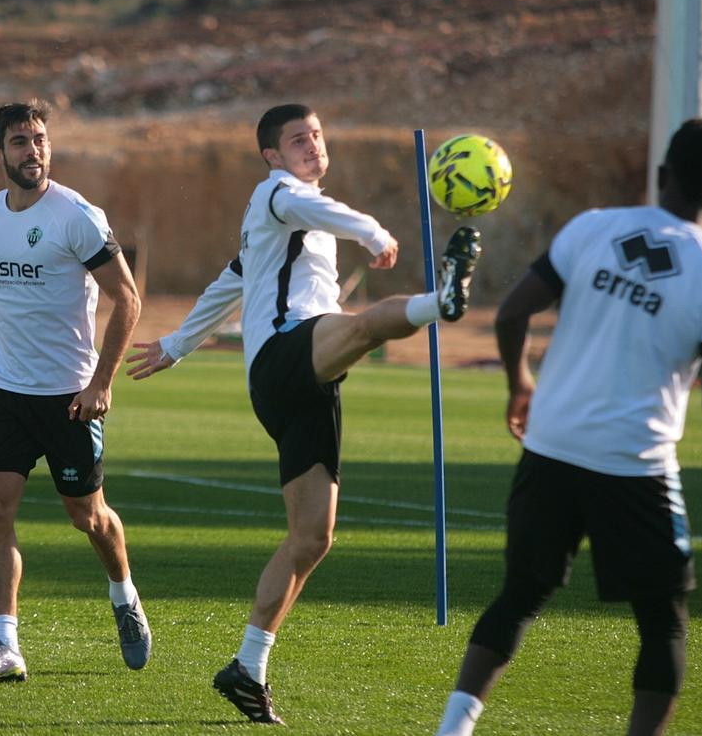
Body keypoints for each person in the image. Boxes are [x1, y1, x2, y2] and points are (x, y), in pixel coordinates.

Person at [125, 103, 481, 724]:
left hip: (302, 384)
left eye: (317, 134)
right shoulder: (280, 196)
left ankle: (247, 666)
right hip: (286, 353)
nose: (312, 144)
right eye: (297, 139)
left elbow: (229, 282)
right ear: (271, 156)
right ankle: (441, 300)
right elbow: (314, 209)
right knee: (365, 328)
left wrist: (176, 345)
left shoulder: (276, 223)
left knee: (312, 539)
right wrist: (372, 232)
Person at [433, 119, 702, 736]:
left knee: (519, 596)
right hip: (634, 464)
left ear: (661, 174)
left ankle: (453, 729)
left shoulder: (596, 227)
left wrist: (520, 382)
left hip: (550, 447)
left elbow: (515, 311)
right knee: (663, 622)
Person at [0, 99, 151, 683]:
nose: (35, 151)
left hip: (70, 395)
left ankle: (124, 595)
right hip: (4, 391)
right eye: (21, 142)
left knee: (88, 517)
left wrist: (102, 383)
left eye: (41, 139)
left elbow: (126, 298)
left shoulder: (76, 215)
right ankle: (7, 646)